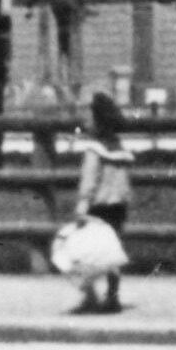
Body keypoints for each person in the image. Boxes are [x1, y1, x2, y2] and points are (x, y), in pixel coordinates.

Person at [70, 89, 135, 315]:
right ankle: (113, 295)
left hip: (97, 206)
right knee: (111, 251)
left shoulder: (94, 150)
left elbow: (89, 179)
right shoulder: (119, 147)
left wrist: (82, 203)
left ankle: (89, 296)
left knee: (84, 251)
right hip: (118, 206)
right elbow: (124, 181)